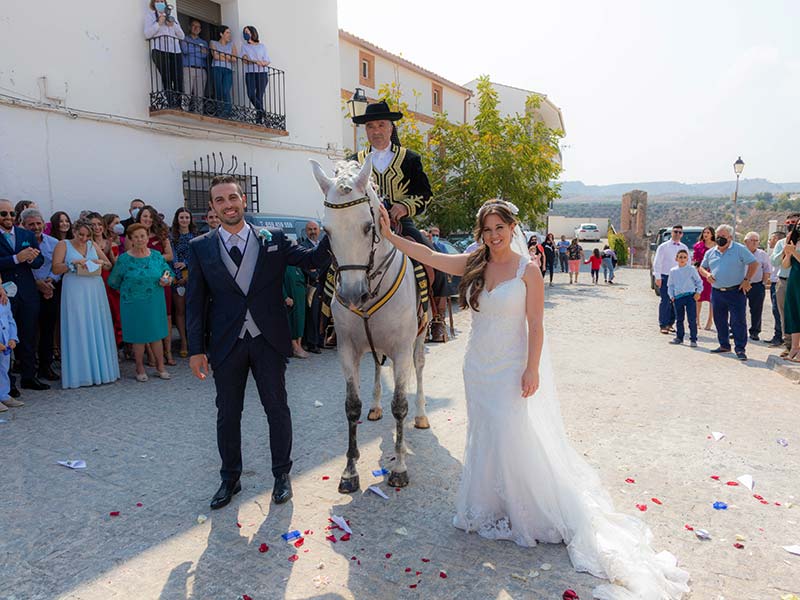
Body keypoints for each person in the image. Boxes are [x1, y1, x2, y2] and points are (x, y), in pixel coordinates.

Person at [375, 199, 690, 600]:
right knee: (485, 433)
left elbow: (536, 325)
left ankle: (526, 507)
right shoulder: (473, 262)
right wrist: (389, 236)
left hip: (510, 366)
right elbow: (430, 255)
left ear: (512, 227)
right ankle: (489, 504)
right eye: (486, 230)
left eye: (498, 228)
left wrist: (532, 368)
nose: (493, 236)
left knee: (512, 433)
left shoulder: (529, 270)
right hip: (477, 366)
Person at [186, 175, 332, 510]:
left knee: (277, 409)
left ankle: (282, 475)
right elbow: (194, 303)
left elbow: (312, 261)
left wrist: (333, 229)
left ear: (244, 201)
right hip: (226, 343)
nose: (228, 205)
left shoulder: (274, 239)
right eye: (220, 200)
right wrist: (196, 350)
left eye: (233, 198)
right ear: (212, 207)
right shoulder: (200, 248)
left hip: (268, 340)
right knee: (228, 414)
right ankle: (230, 478)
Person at [350, 101, 433, 247]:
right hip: (361, 226)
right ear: (366, 130)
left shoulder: (409, 159)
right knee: (329, 260)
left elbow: (425, 194)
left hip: (401, 225)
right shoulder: (354, 162)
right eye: (370, 126)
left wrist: (405, 206)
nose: (376, 131)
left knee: (431, 258)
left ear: (391, 128)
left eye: (381, 125)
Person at [51, 219, 119, 388]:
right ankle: (80, 373)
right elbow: (55, 268)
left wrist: (100, 263)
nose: (83, 239)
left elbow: (109, 265)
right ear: (74, 231)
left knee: (95, 324)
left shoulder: (92, 245)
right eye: (80, 235)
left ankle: (101, 370)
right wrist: (71, 264)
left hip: (94, 289)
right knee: (78, 325)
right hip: (74, 288)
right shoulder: (63, 245)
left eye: (87, 236)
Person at [108, 223, 174, 381]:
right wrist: (129, 291)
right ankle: (139, 367)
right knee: (138, 336)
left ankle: (160, 366)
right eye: (136, 237)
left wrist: (167, 279)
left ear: (147, 237)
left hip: (154, 301)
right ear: (130, 239)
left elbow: (167, 272)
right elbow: (113, 281)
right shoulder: (124, 259)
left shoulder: (157, 255)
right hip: (133, 303)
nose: (140, 239)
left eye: (142, 236)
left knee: (156, 334)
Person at [0, 199, 48, 397]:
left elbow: (39, 261)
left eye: (12, 214)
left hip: (27, 292)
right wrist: (15, 258)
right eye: (4, 214)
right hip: (4, 294)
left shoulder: (26, 234)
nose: (9, 217)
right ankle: (7, 384)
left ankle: (29, 376)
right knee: (6, 338)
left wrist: (32, 258)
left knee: (28, 335)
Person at [698, 224, 757, 361]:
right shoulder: (711, 252)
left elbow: (753, 263)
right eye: (718, 236)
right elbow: (701, 267)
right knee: (719, 320)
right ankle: (724, 345)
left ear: (730, 237)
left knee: (738, 321)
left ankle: (740, 348)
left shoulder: (739, 249)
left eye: (723, 236)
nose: (720, 239)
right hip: (717, 292)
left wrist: (747, 279)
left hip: (735, 291)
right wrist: (707, 275)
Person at [132, 205, 175, 365]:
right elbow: (131, 258)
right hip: (143, 283)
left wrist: (151, 258)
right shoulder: (133, 237)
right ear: (139, 218)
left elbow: (170, 256)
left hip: (162, 280)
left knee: (166, 317)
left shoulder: (162, 235)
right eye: (144, 217)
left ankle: (168, 352)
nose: (148, 219)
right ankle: (151, 354)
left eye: (150, 217)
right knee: (147, 317)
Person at [21, 208, 61, 381]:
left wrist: (50, 282)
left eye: (38, 223)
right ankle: (28, 369)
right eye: (31, 224)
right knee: (28, 331)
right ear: (23, 225)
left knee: (47, 330)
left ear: (44, 224)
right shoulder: (18, 244)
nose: (35, 227)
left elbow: (58, 265)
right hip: (29, 291)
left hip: (50, 290)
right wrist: (37, 284)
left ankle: (46, 366)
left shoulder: (54, 242)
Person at [144, 0, 185, 108]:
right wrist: (159, 23)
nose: (160, 2)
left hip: (175, 51)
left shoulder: (172, 17)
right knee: (166, 77)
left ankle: (178, 104)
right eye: (157, 0)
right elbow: (147, 34)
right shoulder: (150, 16)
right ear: (153, 3)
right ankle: (170, 103)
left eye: (162, 0)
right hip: (159, 50)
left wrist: (173, 25)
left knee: (178, 79)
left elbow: (182, 36)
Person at [771, 214, 799, 357]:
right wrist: (786, 251)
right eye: (788, 223)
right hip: (784, 280)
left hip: (797, 281)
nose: (791, 225)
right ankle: (789, 345)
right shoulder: (782, 242)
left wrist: (794, 250)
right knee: (786, 314)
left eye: (793, 223)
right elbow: (775, 262)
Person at [170, 207, 197, 357]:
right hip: (177, 278)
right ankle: (184, 341)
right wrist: (178, 276)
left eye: (187, 217)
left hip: (193, 276)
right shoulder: (172, 237)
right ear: (177, 219)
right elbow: (173, 258)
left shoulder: (196, 236)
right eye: (182, 217)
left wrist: (186, 264)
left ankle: (194, 340)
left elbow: (198, 256)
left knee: (193, 311)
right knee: (180, 311)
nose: (184, 220)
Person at [652, 225, 688, 334]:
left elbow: (688, 263)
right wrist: (657, 277)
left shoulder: (684, 247)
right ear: (672, 233)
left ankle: (670, 324)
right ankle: (663, 324)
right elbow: (657, 262)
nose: (677, 234)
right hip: (665, 276)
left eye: (679, 232)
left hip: (679, 277)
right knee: (665, 301)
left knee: (676, 301)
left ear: (682, 234)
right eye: (675, 231)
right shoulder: (663, 247)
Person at [300, 220, 326, 354]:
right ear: (306, 231)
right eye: (310, 229)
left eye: (315, 229)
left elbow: (327, 261)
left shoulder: (322, 245)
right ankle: (312, 343)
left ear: (319, 230)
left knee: (323, 314)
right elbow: (304, 264)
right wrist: (315, 274)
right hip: (311, 285)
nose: (313, 232)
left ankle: (321, 340)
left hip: (324, 284)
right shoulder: (303, 246)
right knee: (313, 315)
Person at [667, 249, 703, 347]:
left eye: (684, 257)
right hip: (678, 297)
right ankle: (679, 337)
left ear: (688, 259)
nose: (682, 259)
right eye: (680, 257)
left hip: (690, 296)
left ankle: (693, 339)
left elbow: (699, 282)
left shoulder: (691, 269)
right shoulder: (673, 271)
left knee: (692, 319)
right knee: (679, 319)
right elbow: (670, 285)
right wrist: (672, 296)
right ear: (676, 259)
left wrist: (698, 292)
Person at [742, 231, 772, 342]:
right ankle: (736, 330)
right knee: (739, 309)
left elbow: (767, 269)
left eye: (756, 241)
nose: (755, 243)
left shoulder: (762, 254)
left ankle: (755, 332)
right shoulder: (741, 253)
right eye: (752, 240)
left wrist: (763, 283)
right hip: (741, 285)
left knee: (756, 310)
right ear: (745, 242)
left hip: (757, 285)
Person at [240, 26, 270, 124]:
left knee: (259, 96)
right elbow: (245, 60)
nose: (246, 34)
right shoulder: (244, 47)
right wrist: (255, 61)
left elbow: (267, 60)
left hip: (262, 73)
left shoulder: (262, 46)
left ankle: (259, 120)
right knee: (251, 94)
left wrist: (261, 63)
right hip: (250, 73)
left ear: (253, 33)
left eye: (247, 32)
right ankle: (263, 113)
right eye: (244, 32)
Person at [102, 214, 123, 348]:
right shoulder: (106, 242)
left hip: (116, 276)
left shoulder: (119, 241)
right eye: (115, 223)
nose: (118, 225)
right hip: (107, 275)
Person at [780, 227, 800, 361]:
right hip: (794, 281)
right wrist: (788, 254)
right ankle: (794, 348)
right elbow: (786, 265)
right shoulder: (795, 241)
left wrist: (794, 252)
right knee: (793, 312)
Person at [181, 19, 208, 113]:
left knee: (199, 95)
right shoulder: (184, 39)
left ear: (200, 30)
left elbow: (205, 55)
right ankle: (184, 111)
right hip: (188, 68)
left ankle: (199, 113)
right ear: (189, 27)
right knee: (187, 92)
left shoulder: (204, 42)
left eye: (198, 27)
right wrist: (199, 49)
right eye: (194, 25)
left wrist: (192, 49)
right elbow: (185, 50)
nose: (196, 28)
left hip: (201, 70)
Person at [692, 226, 716, 331]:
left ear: (712, 234)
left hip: (713, 274)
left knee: (712, 298)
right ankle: (697, 320)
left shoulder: (717, 246)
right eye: (704, 232)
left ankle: (710, 320)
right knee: (698, 297)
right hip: (700, 273)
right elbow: (696, 260)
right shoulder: (698, 245)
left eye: (708, 232)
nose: (706, 234)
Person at [283, 260, 308, 359]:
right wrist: (285, 297)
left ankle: (299, 345)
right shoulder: (283, 265)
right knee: (292, 321)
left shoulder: (297, 265)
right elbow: (279, 283)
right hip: (291, 297)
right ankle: (295, 347)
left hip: (300, 298)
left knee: (300, 322)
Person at [210, 26, 236, 118]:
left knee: (225, 90)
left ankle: (227, 112)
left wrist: (221, 54)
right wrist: (227, 57)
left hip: (228, 70)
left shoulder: (232, 44)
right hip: (216, 68)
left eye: (230, 33)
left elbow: (234, 59)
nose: (229, 35)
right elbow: (215, 56)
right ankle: (219, 112)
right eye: (227, 33)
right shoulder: (213, 43)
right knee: (219, 90)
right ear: (221, 34)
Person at [766, 231, 786, 347]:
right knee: (775, 311)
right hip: (774, 284)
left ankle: (780, 337)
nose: (769, 241)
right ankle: (777, 335)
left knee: (779, 311)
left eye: (771, 239)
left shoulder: (781, 252)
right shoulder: (774, 253)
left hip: (780, 283)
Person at [0, 295, 18, 411]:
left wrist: (12, 338)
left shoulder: (4, 300)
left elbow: (11, 320)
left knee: (3, 369)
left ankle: (4, 395)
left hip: (5, 342)